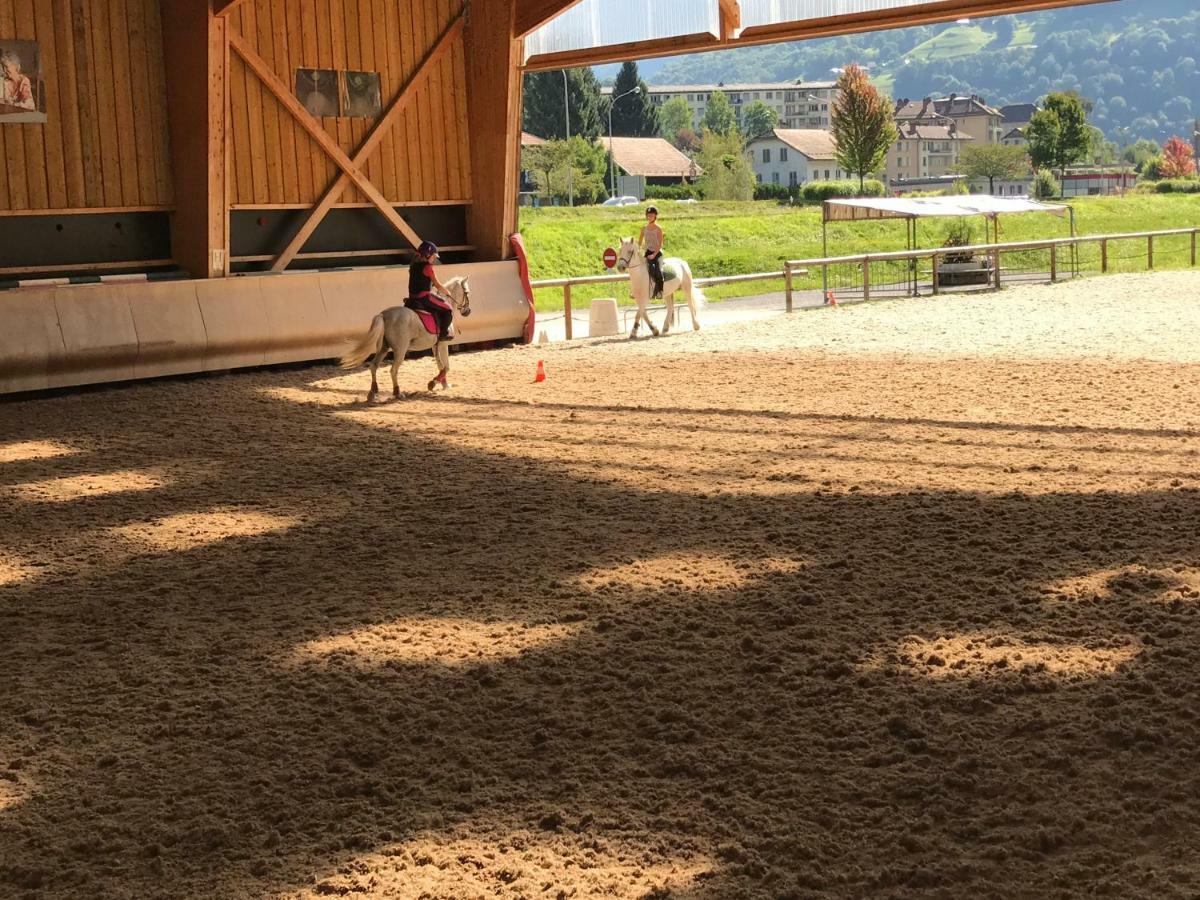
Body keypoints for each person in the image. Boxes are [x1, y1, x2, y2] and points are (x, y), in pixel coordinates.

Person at [406, 240, 454, 341]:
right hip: (424, 297)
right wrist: (447, 292)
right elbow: (437, 285)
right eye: (434, 256)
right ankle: (443, 333)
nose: (434, 259)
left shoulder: (413, 266)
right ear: (427, 255)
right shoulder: (428, 267)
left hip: (411, 297)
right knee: (448, 309)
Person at [639, 205, 664, 300]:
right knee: (638, 270)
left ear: (655, 216)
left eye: (652, 215)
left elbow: (660, 244)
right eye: (648, 215)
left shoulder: (658, 228)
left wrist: (654, 255)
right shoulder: (643, 228)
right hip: (647, 252)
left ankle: (660, 291)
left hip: (657, 253)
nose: (649, 217)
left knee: (658, 271)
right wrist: (639, 252)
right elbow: (640, 242)